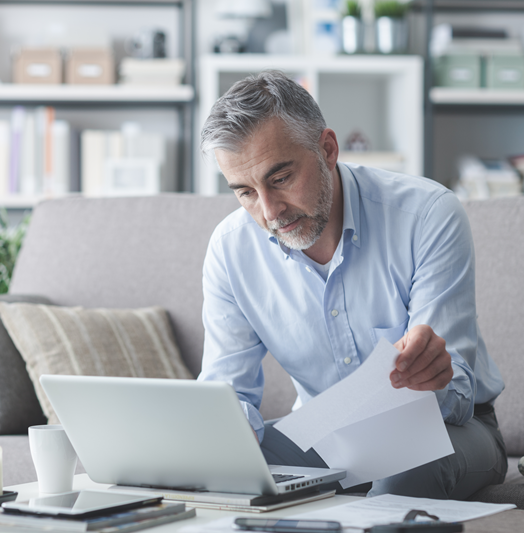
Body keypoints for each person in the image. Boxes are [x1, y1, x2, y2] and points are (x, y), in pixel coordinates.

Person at [198, 70, 507, 499]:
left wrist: (429, 376)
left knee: (405, 471)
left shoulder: (428, 215)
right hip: (323, 432)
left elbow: (454, 397)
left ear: (327, 149)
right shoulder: (230, 250)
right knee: (207, 468)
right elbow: (227, 394)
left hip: (446, 427)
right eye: (245, 192)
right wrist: (225, 438)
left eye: (281, 178)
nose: (269, 211)